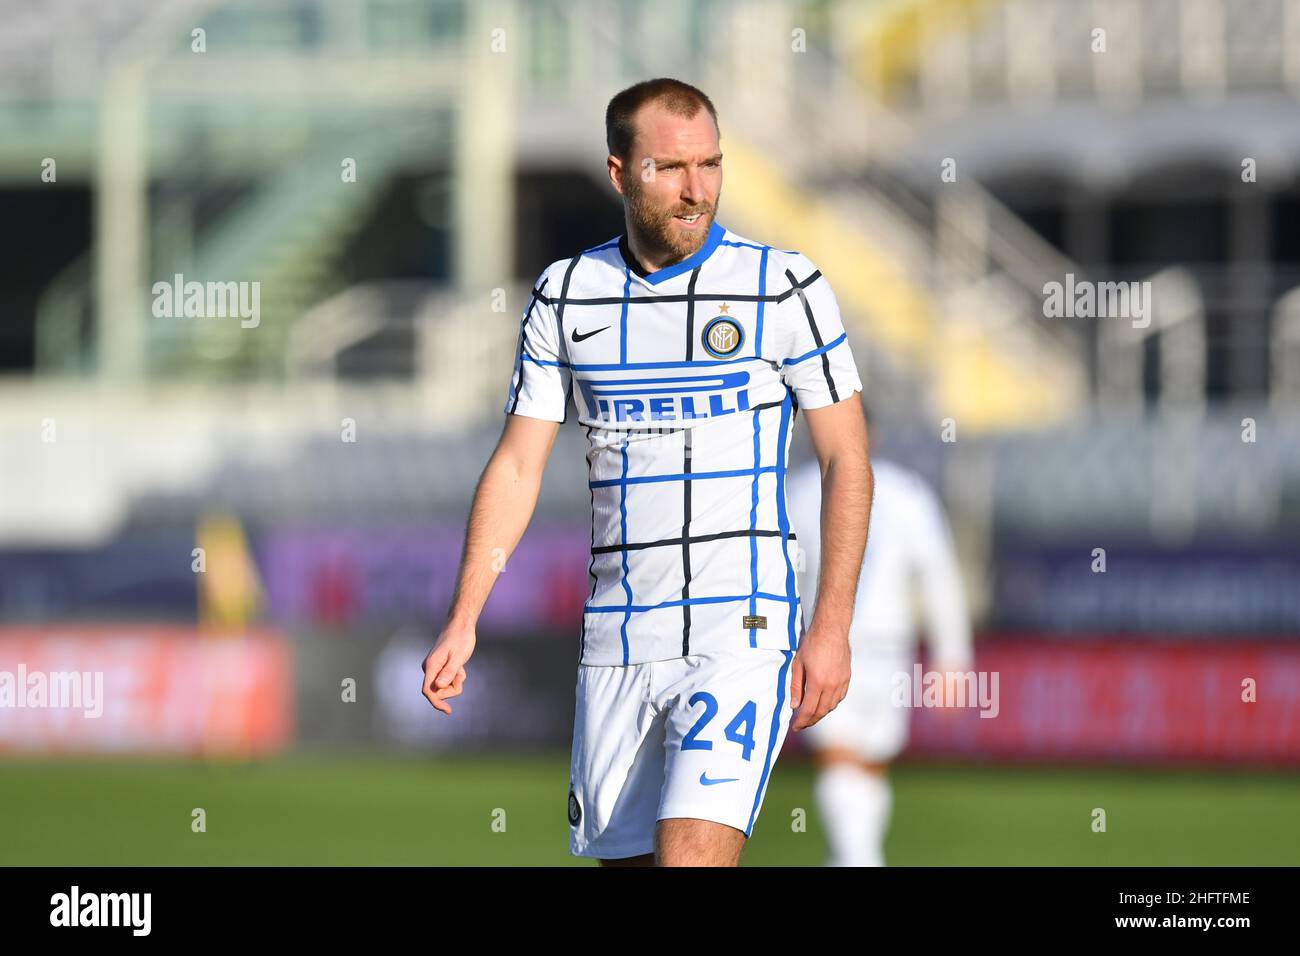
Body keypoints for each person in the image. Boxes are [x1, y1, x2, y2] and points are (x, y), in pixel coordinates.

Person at [421, 77, 872, 867]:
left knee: (690, 858)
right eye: (671, 168)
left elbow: (846, 459)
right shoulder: (567, 296)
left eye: (711, 164)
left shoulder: (784, 286)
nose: (698, 190)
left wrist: (829, 628)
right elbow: (519, 465)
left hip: (744, 629)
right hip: (618, 641)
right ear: (619, 173)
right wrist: (466, 616)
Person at [786, 435, 973, 866]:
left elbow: (781, 579)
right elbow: (940, 581)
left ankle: (857, 858)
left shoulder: (800, 489)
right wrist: (952, 662)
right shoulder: (910, 493)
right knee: (853, 757)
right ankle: (858, 858)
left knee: (857, 760)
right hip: (884, 649)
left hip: (832, 644)